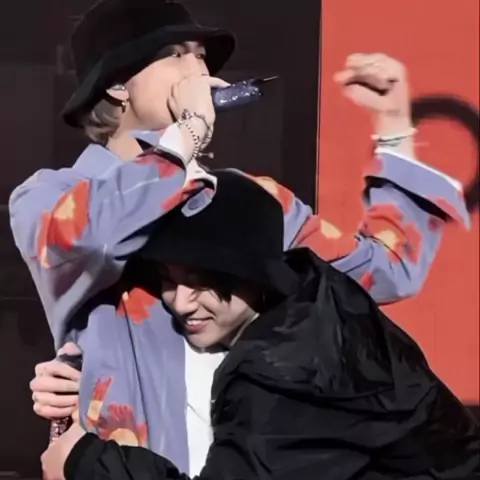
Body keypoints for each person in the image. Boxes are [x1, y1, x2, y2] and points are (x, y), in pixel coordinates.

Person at [13, 0, 470, 475]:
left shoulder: (248, 203)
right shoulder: (52, 196)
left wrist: (394, 129)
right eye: (176, 54)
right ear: (116, 84)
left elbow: (386, 270)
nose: (198, 70)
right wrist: (189, 131)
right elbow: (97, 235)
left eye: (201, 55)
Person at [41, 170, 479, 480]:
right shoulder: (317, 295)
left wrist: (84, 461)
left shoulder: (283, 369)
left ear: (251, 275)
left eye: (201, 281)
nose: (180, 302)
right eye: (167, 280)